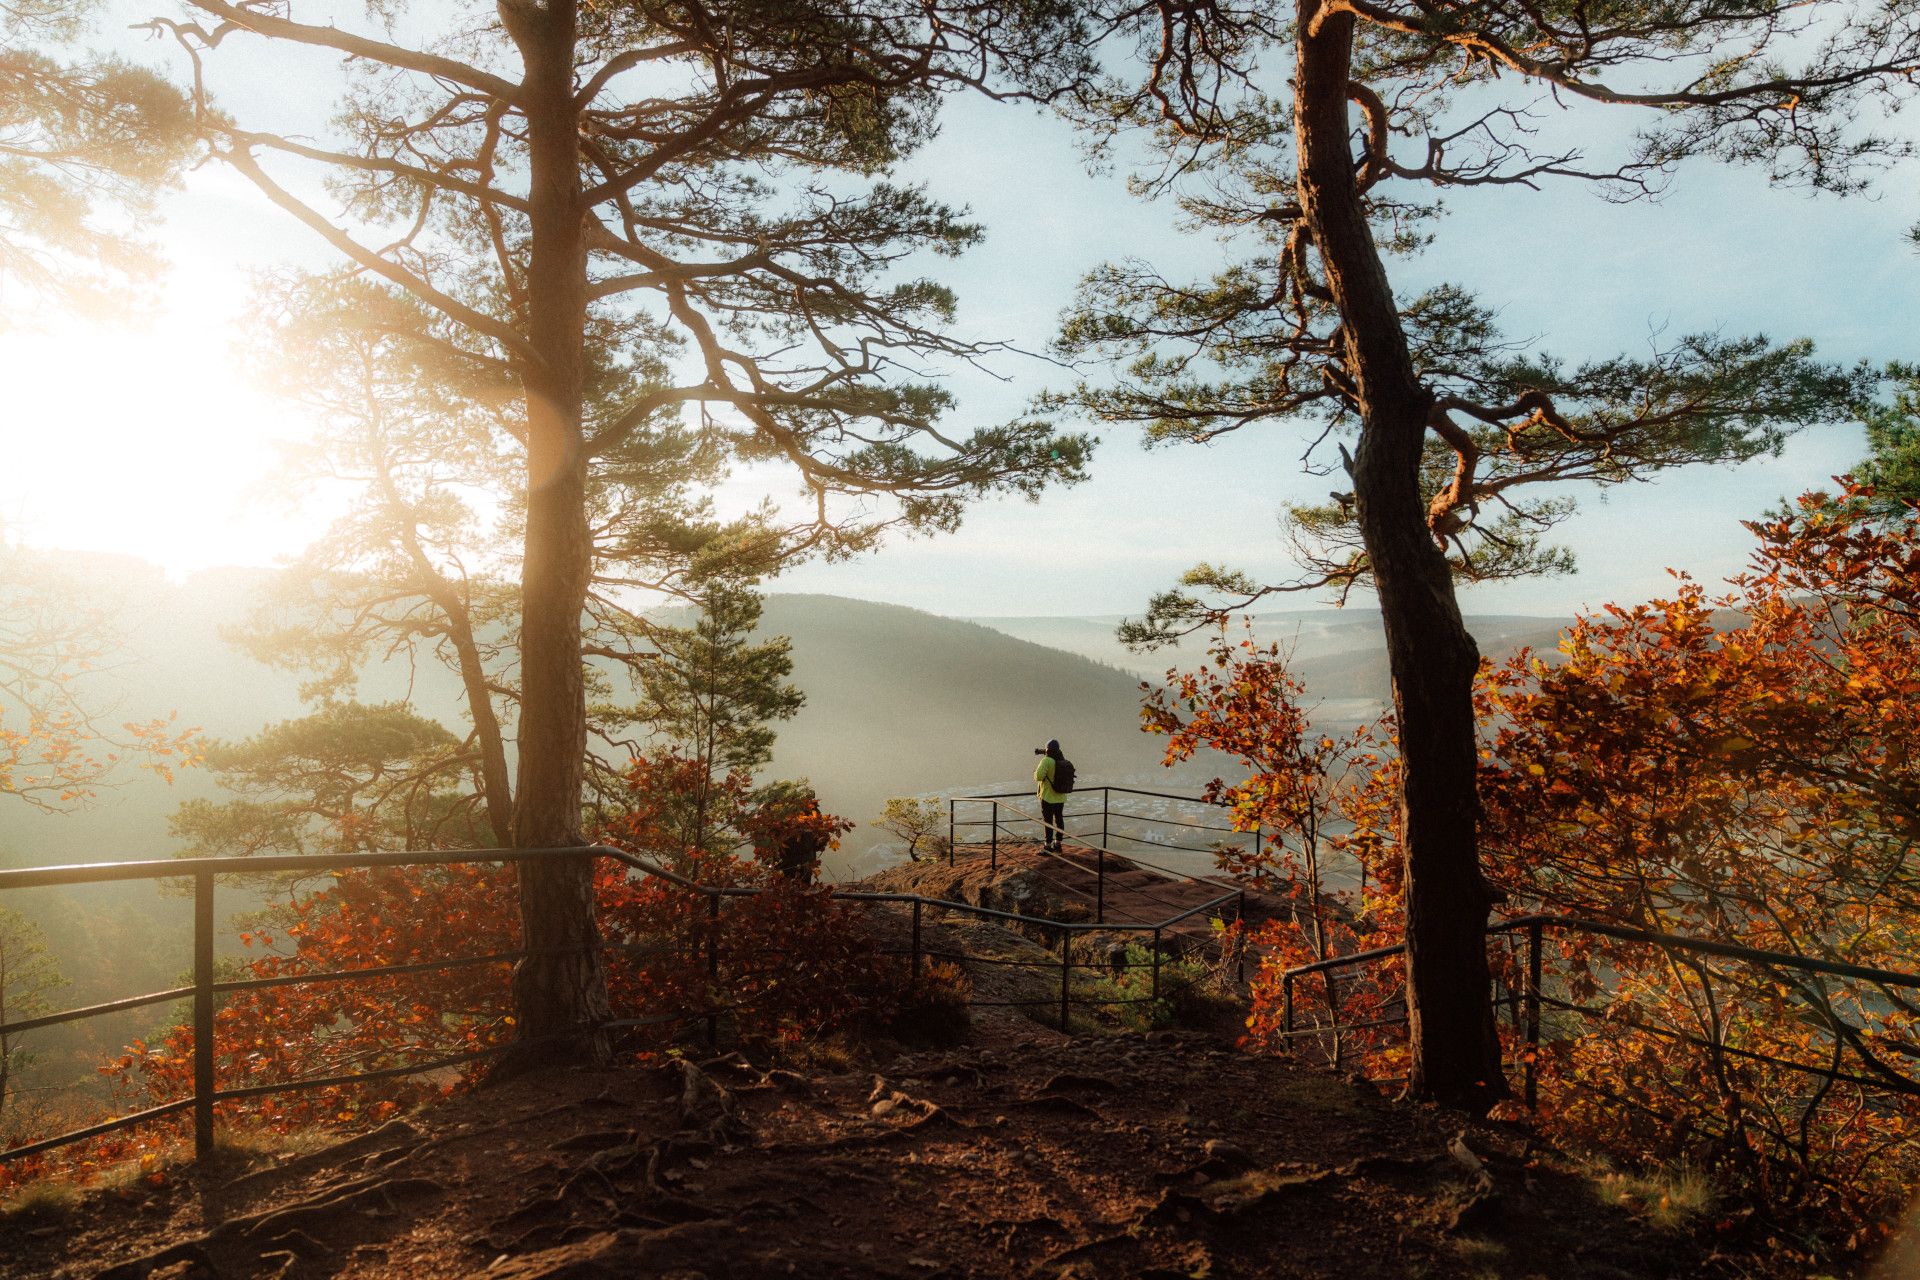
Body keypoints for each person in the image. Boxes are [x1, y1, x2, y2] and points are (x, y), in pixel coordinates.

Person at [1035, 738, 1067, 852]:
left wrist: (1035, 772)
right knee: (1059, 818)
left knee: (1048, 821)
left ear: (1047, 750)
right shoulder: (1062, 760)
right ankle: (1058, 843)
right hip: (1061, 796)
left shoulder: (1046, 761)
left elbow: (1038, 776)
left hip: (1048, 796)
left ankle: (1047, 846)